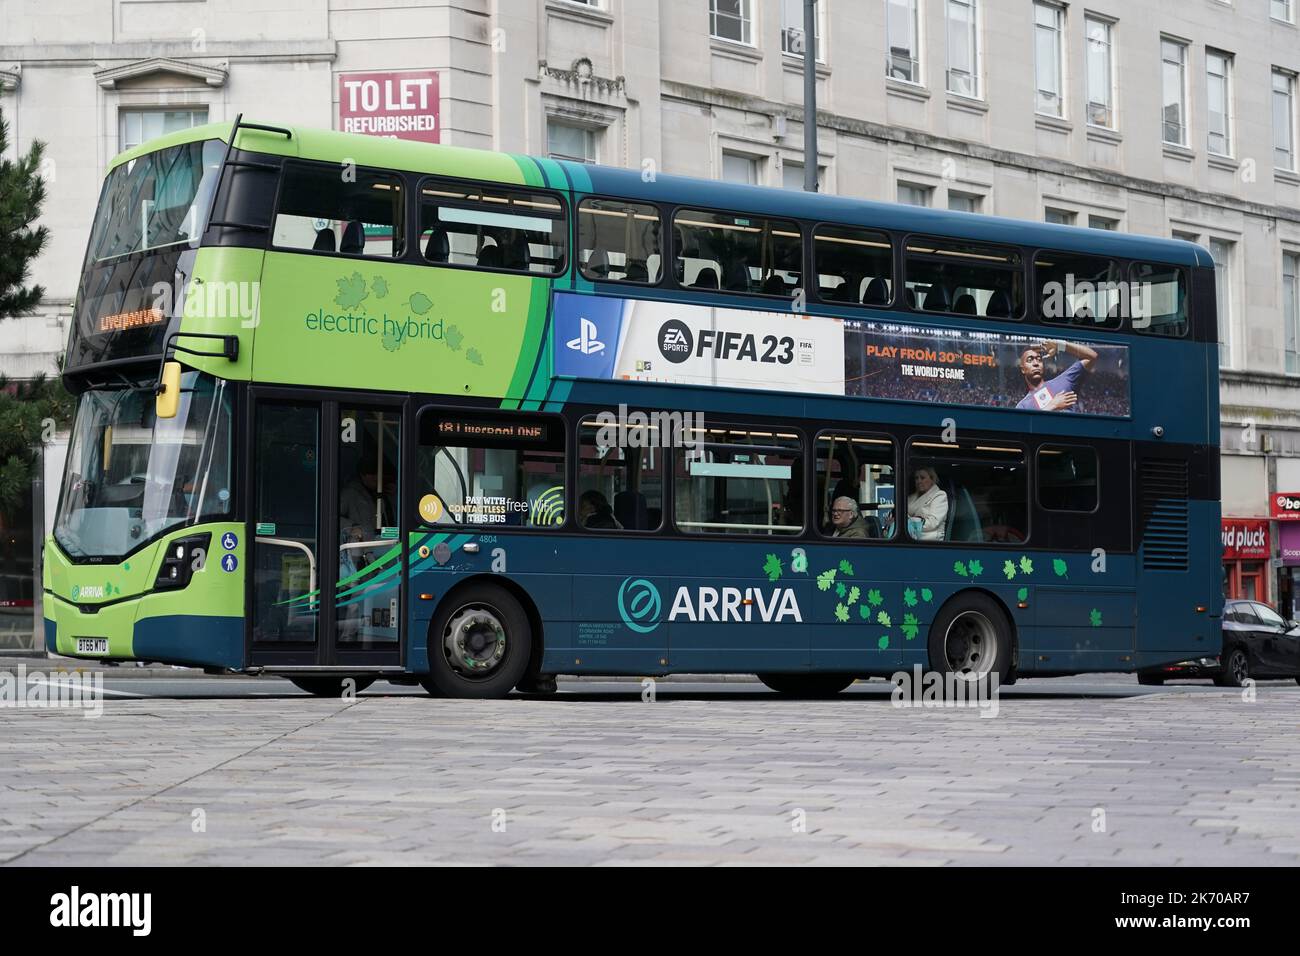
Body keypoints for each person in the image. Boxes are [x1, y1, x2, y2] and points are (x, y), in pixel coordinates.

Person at [1016, 339, 1099, 412]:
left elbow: (1091, 357)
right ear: (1023, 369)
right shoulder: (1023, 406)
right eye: (1030, 360)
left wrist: (1059, 345)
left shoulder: (1063, 381)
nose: (1036, 363)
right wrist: (1052, 406)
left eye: (1039, 359)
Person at [907, 467, 948, 541]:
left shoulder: (940, 496)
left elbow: (933, 523)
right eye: (916, 478)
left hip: (929, 539)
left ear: (932, 479)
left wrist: (908, 522)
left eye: (922, 478)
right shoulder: (911, 497)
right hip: (911, 535)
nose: (919, 481)